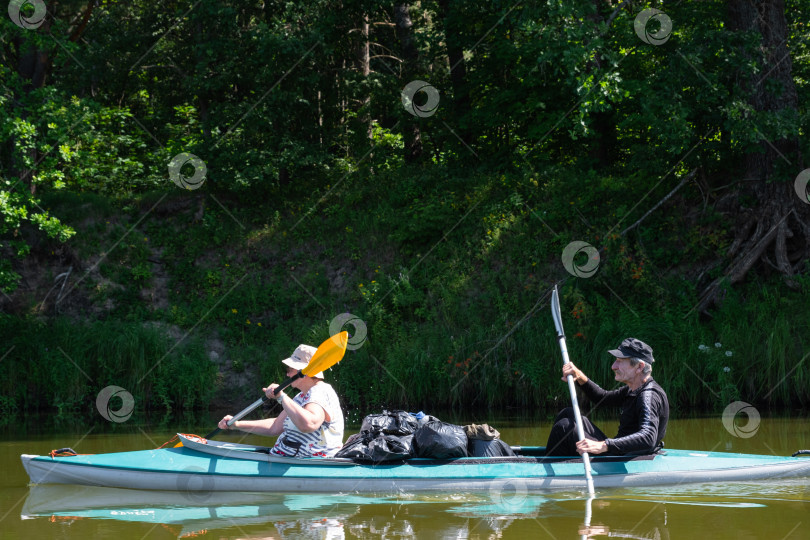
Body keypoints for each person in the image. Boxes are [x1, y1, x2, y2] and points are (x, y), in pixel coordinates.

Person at [545, 337, 669, 456]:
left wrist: (604, 445)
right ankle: (556, 459)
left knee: (565, 427)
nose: (613, 366)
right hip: (616, 450)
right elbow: (602, 398)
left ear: (639, 367)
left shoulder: (648, 396)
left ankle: (547, 469)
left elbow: (648, 437)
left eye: (620, 361)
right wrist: (580, 377)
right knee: (568, 413)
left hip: (624, 457)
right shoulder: (632, 390)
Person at [218, 344, 344, 457]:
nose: (287, 375)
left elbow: (309, 424)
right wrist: (237, 424)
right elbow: (275, 427)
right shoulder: (301, 397)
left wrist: (281, 397)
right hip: (282, 459)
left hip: (308, 466)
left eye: (290, 370)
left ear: (303, 372)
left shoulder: (320, 391)